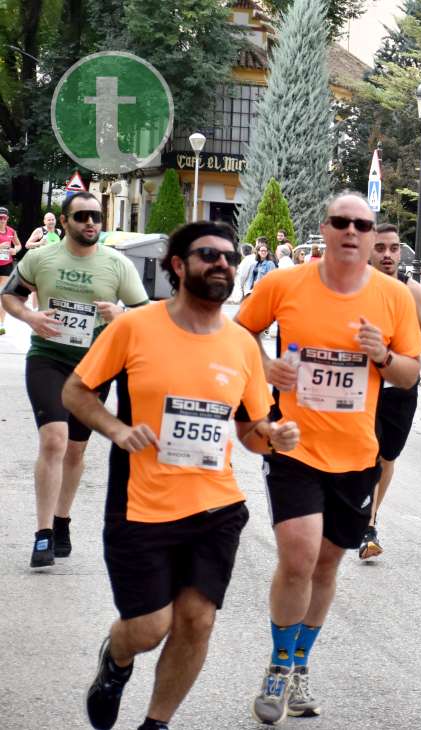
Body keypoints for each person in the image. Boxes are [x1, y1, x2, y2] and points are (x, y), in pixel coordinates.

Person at [62, 221, 300, 730]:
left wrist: (273, 438)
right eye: (209, 255)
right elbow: (76, 392)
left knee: (197, 621)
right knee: (149, 627)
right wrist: (117, 429)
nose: (223, 265)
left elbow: (251, 428)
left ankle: (156, 723)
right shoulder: (135, 326)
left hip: (215, 507)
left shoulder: (240, 345)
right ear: (177, 264)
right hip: (141, 506)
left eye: (231, 258)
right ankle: (117, 660)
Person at [235, 192, 421, 724]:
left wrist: (381, 356)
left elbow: (408, 374)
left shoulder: (393, 298)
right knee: (297, 555)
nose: (351, 231)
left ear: (371, 236)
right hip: (294, 443)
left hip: (356, 455)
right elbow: (240, 332)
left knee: (326, 563)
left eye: (361, 225)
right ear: (325, 229)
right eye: (341, 222)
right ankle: (276, 666)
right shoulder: (284, 283)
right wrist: (266, 367)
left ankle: (299, 666)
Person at [2, 191, 150, 568]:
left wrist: (119, 314)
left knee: (75, 450)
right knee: (54, 439)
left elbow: (144, 314)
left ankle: (62, 519)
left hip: (95, 366)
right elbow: (10, 297)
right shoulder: (41, 258)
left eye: (96, 217)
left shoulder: (116, 264)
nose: (90, 223)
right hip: (48, 358)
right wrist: (31, 318)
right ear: (63, 221)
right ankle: (43, 534)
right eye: (82, 216)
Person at [359, 224, 421, 560]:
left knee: (387, 456)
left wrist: (395, 351)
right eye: (380, 248)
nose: (388, 255)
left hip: (400, 386)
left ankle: (370, 515)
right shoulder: (356, 285)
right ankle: (368, 525)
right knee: (366, 452)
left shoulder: (412, 290)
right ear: (369, 250)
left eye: (393, 248)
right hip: (363, 386)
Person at [0, 206, 22, 334]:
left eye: (4, 218)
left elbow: (19, 244)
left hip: (6, 265)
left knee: (3, 294)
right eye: (0, 218)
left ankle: (1, 324)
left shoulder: (11, 231)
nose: (2, 220)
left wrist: (15, 250)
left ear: (7, 218)